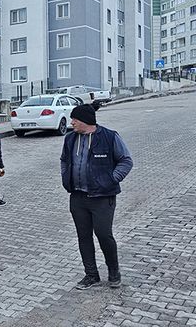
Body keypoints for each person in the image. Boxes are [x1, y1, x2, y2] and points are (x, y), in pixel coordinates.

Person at [60, 103, 133, 290]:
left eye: (74, 119)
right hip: (77, 196)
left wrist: (111, 179)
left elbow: (126, 161)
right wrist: (65, 177)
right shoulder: (70, 139)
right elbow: (64, 160)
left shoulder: (109, 137)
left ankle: (114, 272)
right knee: (83, 236)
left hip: (102, 197)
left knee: (103, 234)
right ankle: (91, 275)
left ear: (85, 120)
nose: (72, 122)